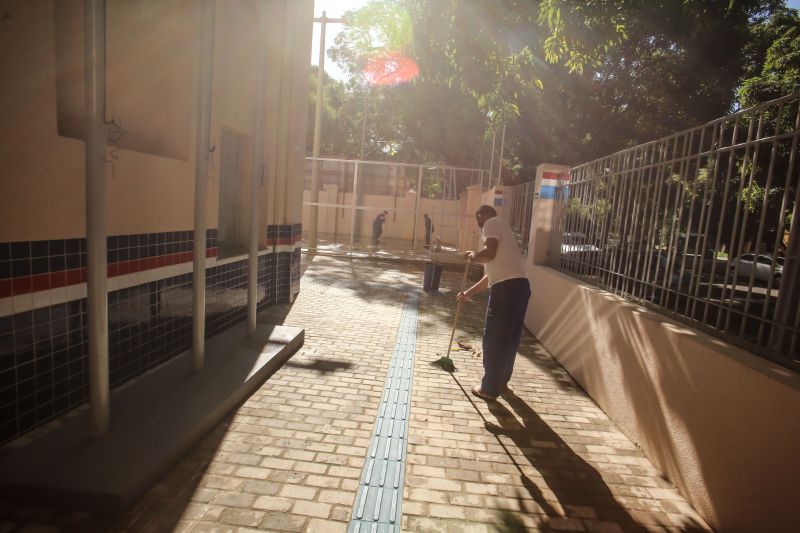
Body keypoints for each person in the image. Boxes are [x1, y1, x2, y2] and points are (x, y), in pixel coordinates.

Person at [457, 205, 531, 401]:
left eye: (477, 219)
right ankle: (501, 382)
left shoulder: (491, 223)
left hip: (506, 290)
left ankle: (489, 388)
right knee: (509, 339)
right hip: (520, 287)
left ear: (480, 215)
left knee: (494, 339)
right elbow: (491, 277)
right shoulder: (503, 230)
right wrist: (468, 294)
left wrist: (473, 256)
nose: (479, 225)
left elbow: (488, 254)